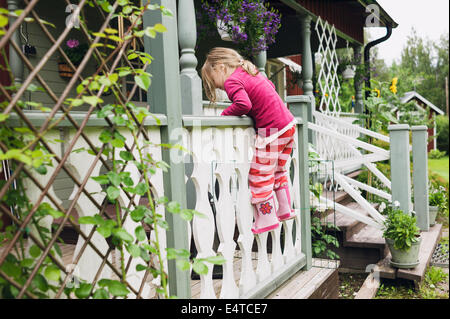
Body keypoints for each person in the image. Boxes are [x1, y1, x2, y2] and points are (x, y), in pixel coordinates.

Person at [201, 47, 297, 234]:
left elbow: (244, 104)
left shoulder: (232, 81)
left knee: (259, 176)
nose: (218, 87)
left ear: (220, 67)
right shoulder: (250, 72)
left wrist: (224, 115)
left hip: (273, 130)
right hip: (288, 126)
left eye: (214, 81)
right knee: (278, 170)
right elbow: (270, 87)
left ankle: (267, 218)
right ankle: (285, 209)